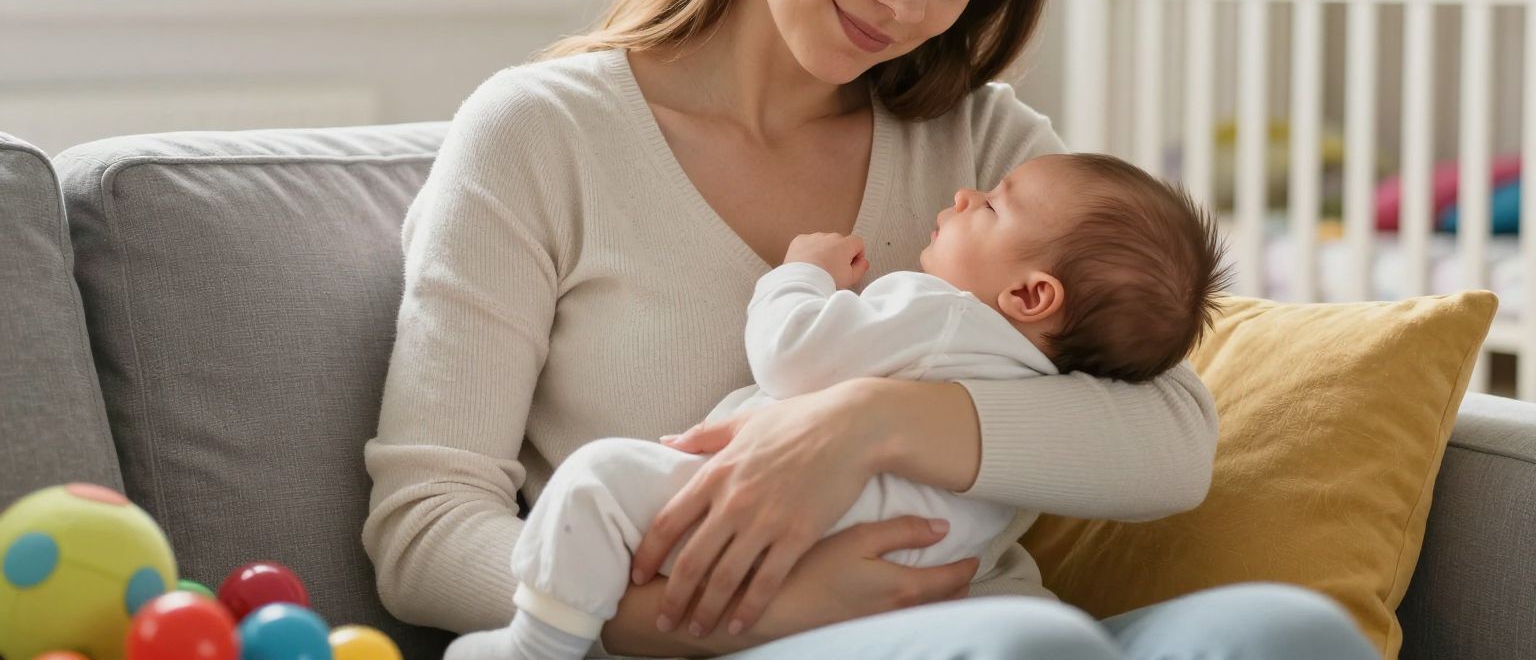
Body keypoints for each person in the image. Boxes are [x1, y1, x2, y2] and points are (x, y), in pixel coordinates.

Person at [363, 0, 1376, 659]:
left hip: (994, 625)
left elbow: (1172, 439)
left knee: (1288, 631)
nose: (908, 2)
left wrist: (862, 426)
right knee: (1031, 647)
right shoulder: (540, 136)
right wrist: (669, 617)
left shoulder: (978, 143)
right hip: (752, 641)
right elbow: (426, 524)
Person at [444, 153, 1234, 660]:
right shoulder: (1040, 359)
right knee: (1039, 638)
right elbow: (431, 517)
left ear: (1031, 296)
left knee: (598, 479)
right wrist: (692, 622)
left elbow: (790, 352)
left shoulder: (940, 311)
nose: (967, 193)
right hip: (923, 594)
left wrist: (802, 278)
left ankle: (535, 646)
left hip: (806, 551)